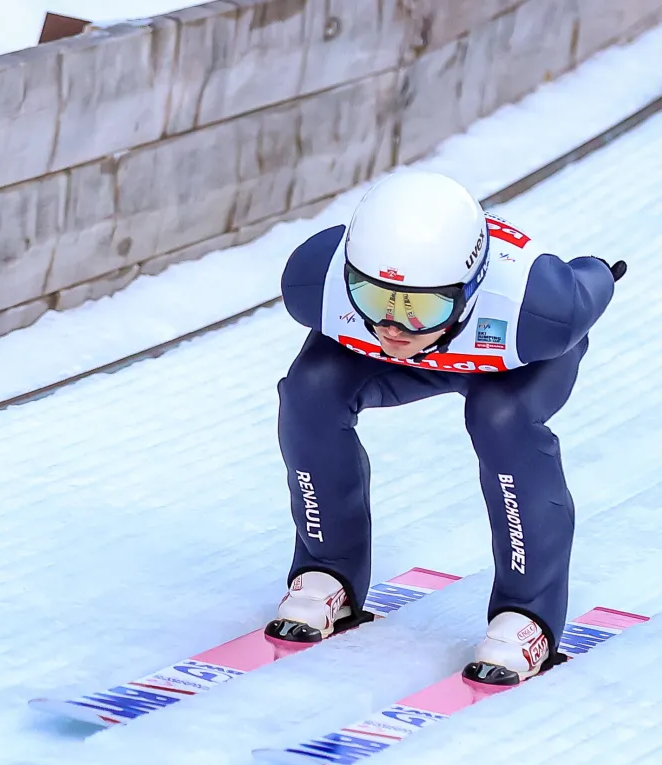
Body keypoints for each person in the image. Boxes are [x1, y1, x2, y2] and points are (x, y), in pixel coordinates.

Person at [264, 170, 626, 686]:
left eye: (421, 308)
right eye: (372, 299)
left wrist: (597, 270)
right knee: (310, 392)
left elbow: (592, 280)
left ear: (473, 287)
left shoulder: (542, 308)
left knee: (501, 418)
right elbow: (384, 321)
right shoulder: (312, 280)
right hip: (425, 352)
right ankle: (328, 570)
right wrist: (410, 315)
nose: (393, 327)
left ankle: (527, 615)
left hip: (510, 363)